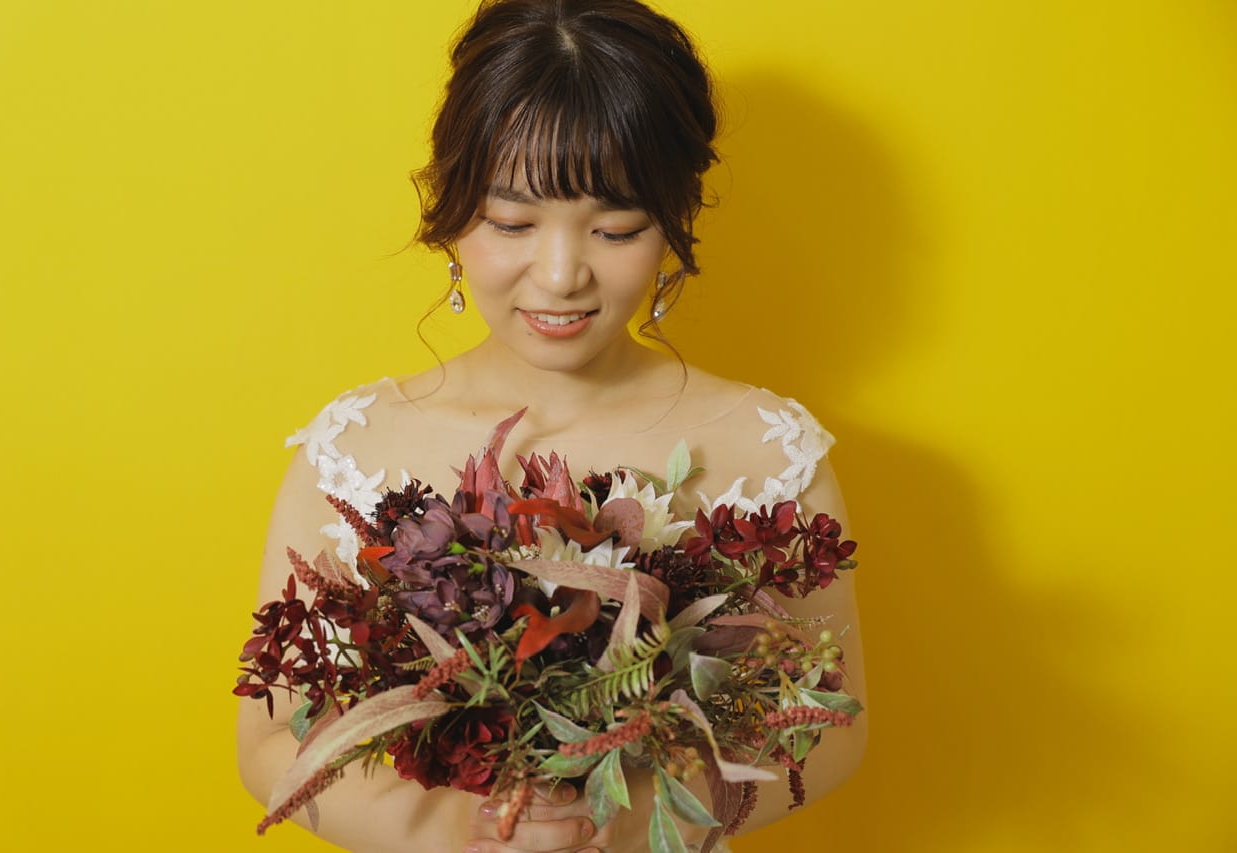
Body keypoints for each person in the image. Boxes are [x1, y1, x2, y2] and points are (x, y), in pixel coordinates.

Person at [236, 1, 868, 850]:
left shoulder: (765, 447)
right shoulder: (357, 446)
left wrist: (622, 819)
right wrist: (475, 828)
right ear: (452, 208)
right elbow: (270, 740)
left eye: (615, 228)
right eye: (512, 223)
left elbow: (831, 727)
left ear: (674, 221)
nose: (563, 273)